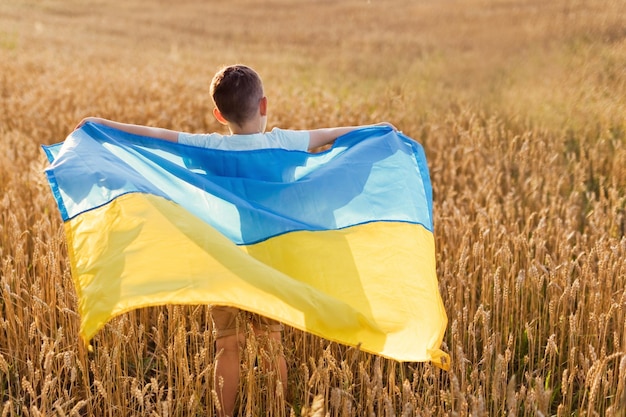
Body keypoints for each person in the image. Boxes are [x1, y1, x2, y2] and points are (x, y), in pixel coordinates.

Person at [76, 64, 396, 417]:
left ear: (218, 115)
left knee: (227, 346)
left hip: (226, 260)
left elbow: (155, 136)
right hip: (272, 262)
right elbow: (334, 135)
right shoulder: (283, 142)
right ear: (263, 105)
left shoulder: (211, 147)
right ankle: (279, 410)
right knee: (271, 344)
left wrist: (103, 126)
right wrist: (377, 130)